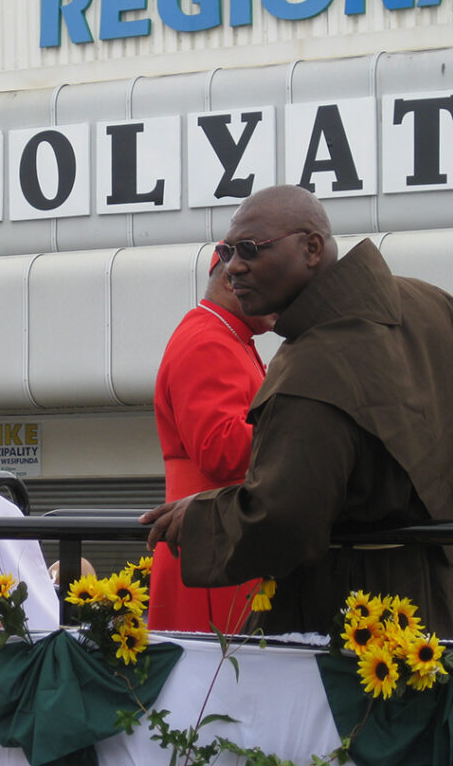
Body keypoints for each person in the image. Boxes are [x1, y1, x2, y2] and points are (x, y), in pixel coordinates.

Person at [141, 185, 453, 640]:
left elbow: (283, 515)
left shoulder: (312, 359)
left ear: (311, 248)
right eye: (227, 252)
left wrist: (203, 518)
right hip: (450, 583)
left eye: (249, 249)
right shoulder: (426, 301)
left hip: (355, 611)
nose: (233, 266)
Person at [148, 249, 274, 632]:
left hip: (219, 545)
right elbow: (220, 451)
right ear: (230, 279)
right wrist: (298, 430)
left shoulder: (226, 336)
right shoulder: (209, 340)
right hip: (214, 552)